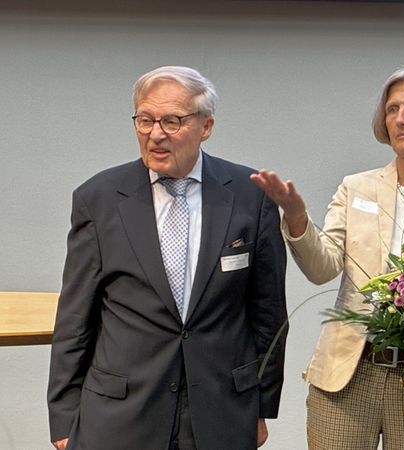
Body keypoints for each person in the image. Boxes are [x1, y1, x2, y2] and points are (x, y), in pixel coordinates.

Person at [250, 64, 404, 450]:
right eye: (392, 109)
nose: (400, 118)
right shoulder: (356, 189)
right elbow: (322, 269)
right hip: (349, 373)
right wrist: (296, 216)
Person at [47, 66, 288, 450]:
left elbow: (268, 313)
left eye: (172, 121)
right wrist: (62, 416)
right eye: (145, 120)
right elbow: (75, 316)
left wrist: (261, 405)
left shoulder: (251, 195)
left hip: (221, 409)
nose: (155, 134)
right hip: (121, 412)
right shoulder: (98, 198)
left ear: (206, 126)